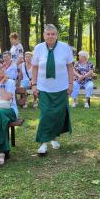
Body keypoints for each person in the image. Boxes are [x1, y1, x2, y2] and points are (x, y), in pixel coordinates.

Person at [31, 24, 74, 155]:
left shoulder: (65, 47)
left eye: (53, 34)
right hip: (43, 88)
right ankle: (43, 143)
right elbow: (34, 67)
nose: (50, 36)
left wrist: (71, 84)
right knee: (45, 114)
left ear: (57, 35)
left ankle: (54, 137)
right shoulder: (38, 48)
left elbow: (70, 67)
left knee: (58, 115)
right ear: (44, 35)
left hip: (61, 87)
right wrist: (34, 84)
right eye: (48, 34)